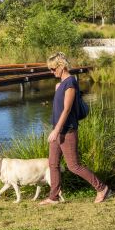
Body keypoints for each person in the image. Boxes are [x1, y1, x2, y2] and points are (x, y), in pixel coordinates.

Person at [39, 52, 110, 205]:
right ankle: (54, 197)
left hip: (67, 131)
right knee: (53, 164)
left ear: (62, 66)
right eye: (50, 69)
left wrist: (56, 130)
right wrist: (55, 130)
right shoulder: (60, 84)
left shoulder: (70, 83)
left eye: (53, 68)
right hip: (57, 130)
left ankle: (102, 188)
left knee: (74, 166)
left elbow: (66, 110)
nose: (51, 72)